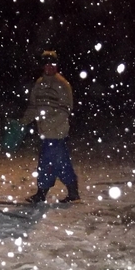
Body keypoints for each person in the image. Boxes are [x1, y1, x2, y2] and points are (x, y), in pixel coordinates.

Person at [20, 50, 80, 204]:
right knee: (59, 163)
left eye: (52, 64)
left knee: (48, 163)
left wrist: (48, 124)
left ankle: (42, 193)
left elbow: (65, 110)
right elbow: (33, 106)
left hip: (57, 132)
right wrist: (23, 121)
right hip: (45, 133)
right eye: (47, 64)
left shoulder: (62, 84)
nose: (50, 67)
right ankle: (72, 192)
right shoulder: (39, 84)